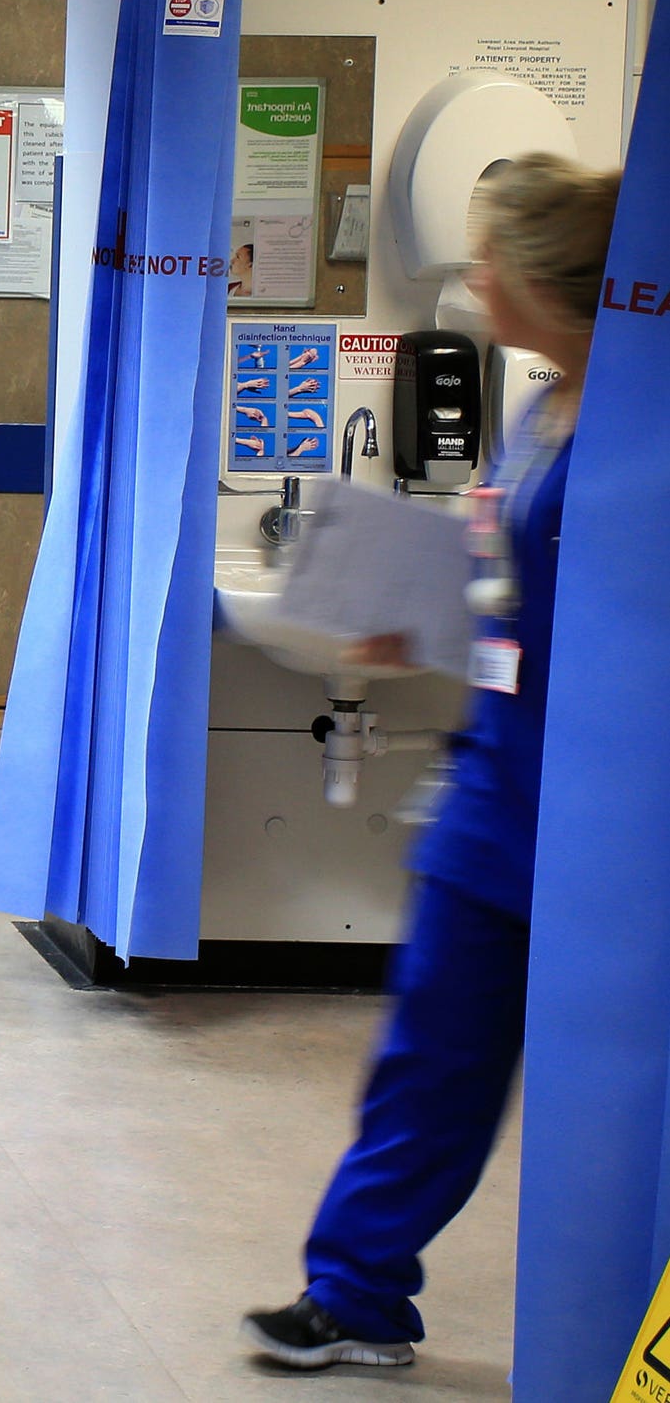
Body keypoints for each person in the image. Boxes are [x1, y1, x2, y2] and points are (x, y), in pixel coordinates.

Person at [242, 153, 621, 1370]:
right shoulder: (539, 405)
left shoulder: (635, 427)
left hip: (604, 806)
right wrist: (426, 615)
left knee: (610, 1088)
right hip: (497, 784)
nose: (470, 277)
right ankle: (352, 1291)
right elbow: (511, 583)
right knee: (430, 1056)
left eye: (489, 257)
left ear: (551, 281)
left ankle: (611, 1314)